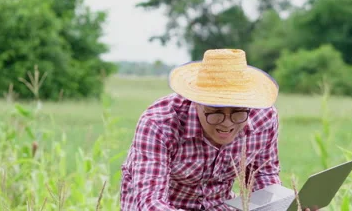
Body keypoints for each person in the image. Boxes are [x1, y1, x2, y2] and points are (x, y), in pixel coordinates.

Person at [119, 49, 313, 211]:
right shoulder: (159, 123)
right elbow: (150, 204)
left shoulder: (264, 118)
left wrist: (283, 206)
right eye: (216, 112)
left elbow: (263, 176)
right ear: (196, 102)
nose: (227, 124)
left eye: (238, 112)